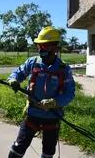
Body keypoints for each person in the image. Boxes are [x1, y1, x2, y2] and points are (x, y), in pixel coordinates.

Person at [7, 26, 76, 158]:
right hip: (32, 114)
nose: (41, 49)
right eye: (40, 46)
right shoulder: (33, 63)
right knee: (18, 147)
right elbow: (18, 73)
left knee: (48, 152)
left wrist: (55, 102)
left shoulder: (64, 69)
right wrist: (13, 79)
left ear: (55, 48)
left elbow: (70, 93)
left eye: (46, 46)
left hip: (52, 117)